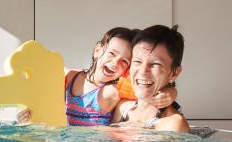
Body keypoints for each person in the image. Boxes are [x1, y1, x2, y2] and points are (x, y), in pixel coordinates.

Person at [18, 27, 176, 126]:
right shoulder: (71, 77)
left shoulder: (114, 91)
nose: (115, 63)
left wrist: (171, 92)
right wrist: (29, 116)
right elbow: (46, 103)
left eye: (124, 61)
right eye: (112, 54)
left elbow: (146, 89)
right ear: (97, 50)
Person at [113, 25, 189, 132]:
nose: (143, 71)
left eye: (155, 64)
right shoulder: (123, 108)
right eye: (137, 62)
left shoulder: (172, 125)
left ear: (174, 73)